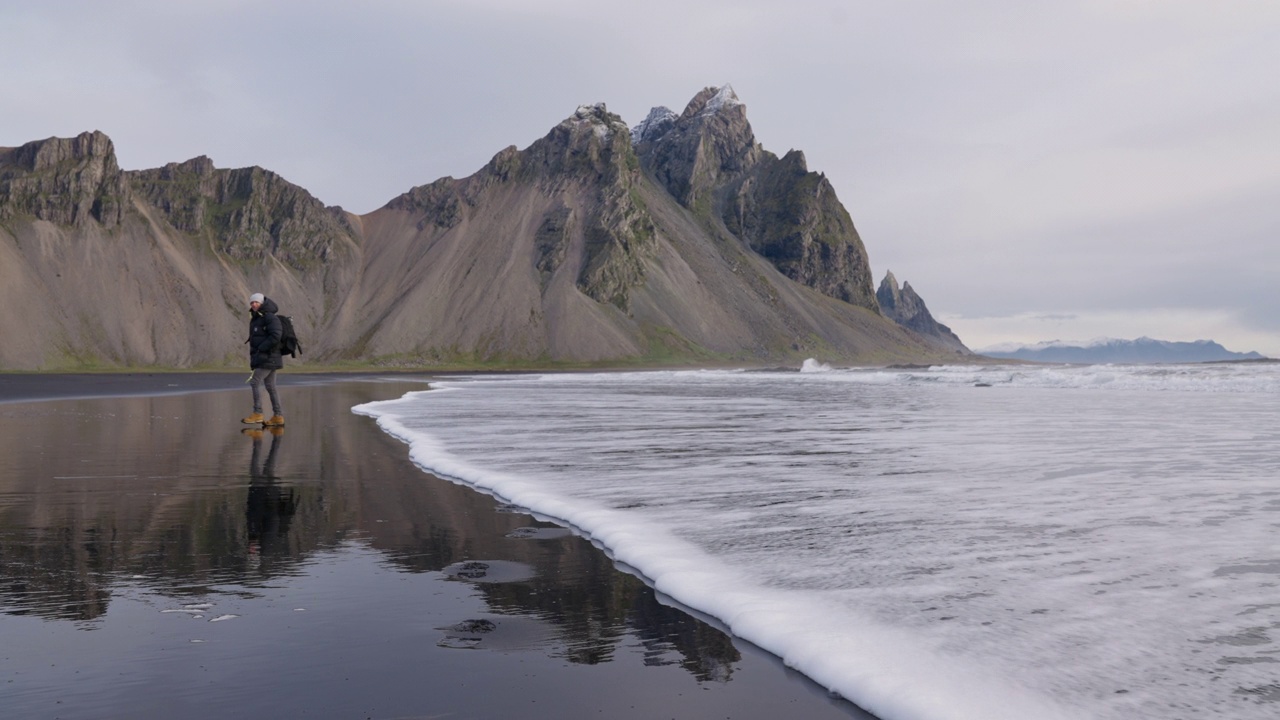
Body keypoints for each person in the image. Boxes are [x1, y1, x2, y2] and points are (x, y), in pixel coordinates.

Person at [242, 292, 285, 426]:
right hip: (267, 357)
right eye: (252, 302)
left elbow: (276, 335)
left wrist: (261, 348)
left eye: (256, 302)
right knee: (270, 386)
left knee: (255, 382)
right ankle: (278, 417)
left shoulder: (269, 317)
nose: (254, 304)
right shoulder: (257, 318)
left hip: (267, 357)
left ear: (262, 303)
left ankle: (258, 413)